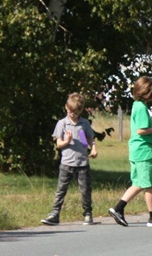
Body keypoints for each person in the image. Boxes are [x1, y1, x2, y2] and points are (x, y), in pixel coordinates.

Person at [108, 76, 152, 227]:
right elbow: (141, 130)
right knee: (149, 183)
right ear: (147, 92)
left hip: (136, 150)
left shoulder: (136, 105)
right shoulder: (142, 107)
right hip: (143, 150)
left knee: (139, 182)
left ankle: (118, 209)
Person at [41, 93, 99, 226]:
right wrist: (66, 141)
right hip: (66, 163)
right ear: (66, 108)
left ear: (80, 110)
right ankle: (55, 213)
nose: (72, 114)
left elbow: (89, 139)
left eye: (75, 112)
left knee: (85, 190)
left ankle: (88, 213)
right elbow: (59, 144)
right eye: (70, 111)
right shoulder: (62, 123)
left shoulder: (84, 123)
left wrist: (93, 148)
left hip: (82, 163)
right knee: (61, 189)